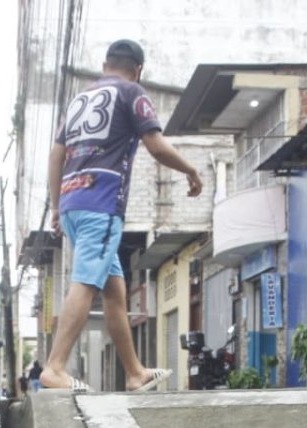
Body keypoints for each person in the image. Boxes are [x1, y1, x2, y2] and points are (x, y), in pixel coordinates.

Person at [38, 39, 203, 393]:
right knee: (86, 281)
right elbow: (156, 145)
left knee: (115, 290)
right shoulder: (132, 93)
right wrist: (190, 170)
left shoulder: (79, 100)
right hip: (101, 202)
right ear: (138, 69)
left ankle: (134, 372)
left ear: (104, 64)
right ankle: (54, 367)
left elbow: (56, 155)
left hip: (71, 201)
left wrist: (55, 206)